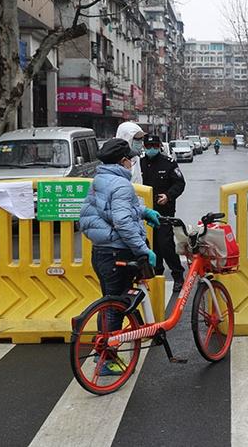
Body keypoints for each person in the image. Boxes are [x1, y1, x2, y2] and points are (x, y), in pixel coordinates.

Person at [79, 138, 161, 375]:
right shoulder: (122, 185)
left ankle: (109, 346)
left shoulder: (101, 179)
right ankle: (107, 358)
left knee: (110, 302)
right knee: (115, 306)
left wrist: (145, 212)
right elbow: (123, 222)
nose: (132, 163)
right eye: (131, 159)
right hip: (117, 252)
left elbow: (108, 208)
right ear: (123, 160)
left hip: (101, 251)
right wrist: (144, 250)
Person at [141, 133, 187, 292]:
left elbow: (180, 184)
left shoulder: (168, 163)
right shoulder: (139, 164)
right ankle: (156, 273)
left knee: (165, 244)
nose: (151, 149)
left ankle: (178, 275)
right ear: (144, 147)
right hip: (144, 212)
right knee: (150, 245)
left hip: (163, 212)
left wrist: (168, 196)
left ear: (159, 146)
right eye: (148, 147)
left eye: (154, 146)